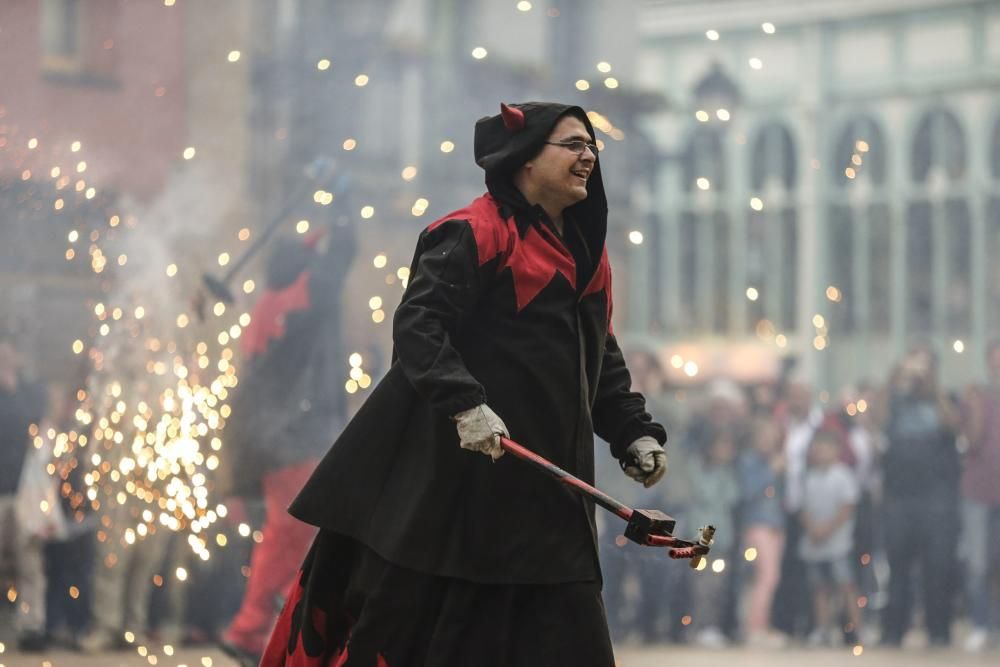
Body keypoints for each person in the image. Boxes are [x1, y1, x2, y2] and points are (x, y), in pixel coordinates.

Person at [260, 102, 668, 666]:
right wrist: (465, 404)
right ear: (526, 160)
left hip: (552, 513)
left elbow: (600, 357)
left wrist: (633, 432)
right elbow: (418, 325)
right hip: (459, 504)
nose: (588, 156)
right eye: (573, 144)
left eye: (591, 146)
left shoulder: (588, 258)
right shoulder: (471, 232)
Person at [218, 213, 356, 664]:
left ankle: (267, 625)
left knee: (292, 535)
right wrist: (345, 207)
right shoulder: (303, 294)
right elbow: (339, 260)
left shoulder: (273, 299)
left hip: (282, 438)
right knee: (290, 535)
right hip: (293, 438)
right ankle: (252, 630)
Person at [876, 346, 961, 646]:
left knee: (937, 567)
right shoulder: (896, 401)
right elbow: (878, 417)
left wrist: (932, 386)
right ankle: (893, 631)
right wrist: (894, 377)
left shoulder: (945, 399)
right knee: (897, 568)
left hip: (936, 499)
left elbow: (953, 424)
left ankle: (938, 632)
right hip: (899, 498)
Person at [0, 337, 49, 651]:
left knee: (29, 561)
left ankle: (32, 627)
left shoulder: (31, 392)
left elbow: (42, 429)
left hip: (26, 492)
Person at [798, 427, 862, 647]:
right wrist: (813, 529)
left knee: (845, 586)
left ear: (836, 450)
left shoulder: (842, 475)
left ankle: (856, 628)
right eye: (818, 447)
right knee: (819, 588)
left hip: (838, 544)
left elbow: (847, 507)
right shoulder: (809, 477)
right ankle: (822, 629)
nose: (821, 452)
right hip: (814, 543)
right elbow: (802, 508)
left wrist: (828, 529)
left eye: (826, 447)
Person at [959, 340, 1000, 652]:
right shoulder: (978, 398)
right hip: (977, 492)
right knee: (977, 563)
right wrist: (974, 407)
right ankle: (980, 623)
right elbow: (970, 441)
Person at [685, 426, 739, 648]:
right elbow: (702, 494)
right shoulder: (696, 469)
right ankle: (698, 627)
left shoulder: (728, 472)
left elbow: (734, 496)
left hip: (722, 534)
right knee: (701, 585)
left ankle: (712, 627)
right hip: (702, 533)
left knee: (717, 586)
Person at [738, 416, 786, 647]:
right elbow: (747, 492)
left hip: (776, 526)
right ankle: (753, 628)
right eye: (764, 436)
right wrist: (771, 472)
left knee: (770, 578)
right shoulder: (749, 461)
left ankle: (762, 626)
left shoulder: (777, 460)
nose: (768, 441)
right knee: (765, 577)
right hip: (757, 525)